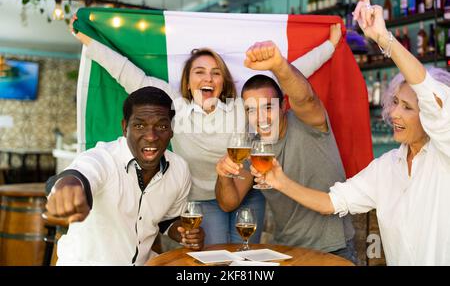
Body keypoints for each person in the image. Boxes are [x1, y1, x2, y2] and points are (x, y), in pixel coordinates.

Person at [70, 14, 340, 245]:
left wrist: (329, 46)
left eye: (215, 73)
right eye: (199, 72)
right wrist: (88, 40)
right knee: (213, 259)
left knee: (245, 260)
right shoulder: (174, 107)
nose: (208, 78)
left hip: (247, 194)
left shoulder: (241, 107)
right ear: (187, 80)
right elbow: (128, 74)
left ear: (223, 81)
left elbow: (289, 78)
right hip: (203, 201)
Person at [249, 0, 450, 266]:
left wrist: (384, 39)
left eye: (407, 108)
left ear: (429, 115)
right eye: (394, 103)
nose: (394, 114)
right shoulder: (388, 167)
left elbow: (432, 96)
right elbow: (331, 202)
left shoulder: (444, 155)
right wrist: (281, 181)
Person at [215, 25, 356, 263]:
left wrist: (278, 64)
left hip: (334, 248)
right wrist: (223, 175)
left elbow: (306, 97)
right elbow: (229, 203)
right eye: (251, 110)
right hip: (287, 250)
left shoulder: (307, 122)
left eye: (268, 107)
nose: (260, 118)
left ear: (283, 107)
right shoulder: (252, 147)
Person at [45, 86, 204, 265]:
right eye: (140, 125)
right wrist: (68, 185)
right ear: (124, 128)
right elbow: (80, 173)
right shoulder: (104, 158)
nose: (151, 136)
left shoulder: (179, 169)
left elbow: (167, 221)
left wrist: (183, 232)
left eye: (161, 126)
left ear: (171, 130)